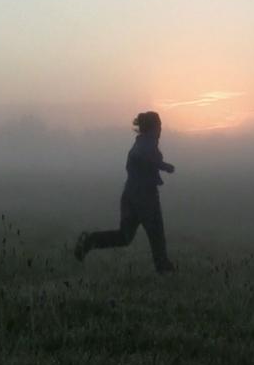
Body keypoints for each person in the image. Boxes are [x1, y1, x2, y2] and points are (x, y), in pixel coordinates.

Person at [74, 111, 177, 273]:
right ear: (154, 128)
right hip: (145, 197)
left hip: (130, 194)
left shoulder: (141, 142)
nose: (161, 130)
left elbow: (139, 158)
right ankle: (164, 269)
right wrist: (164, 166)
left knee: (124, 237)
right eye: (160, 126)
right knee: (156, 234)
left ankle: (89, 241)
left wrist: (160, 164)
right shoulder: (147, 143)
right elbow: (143, 156)